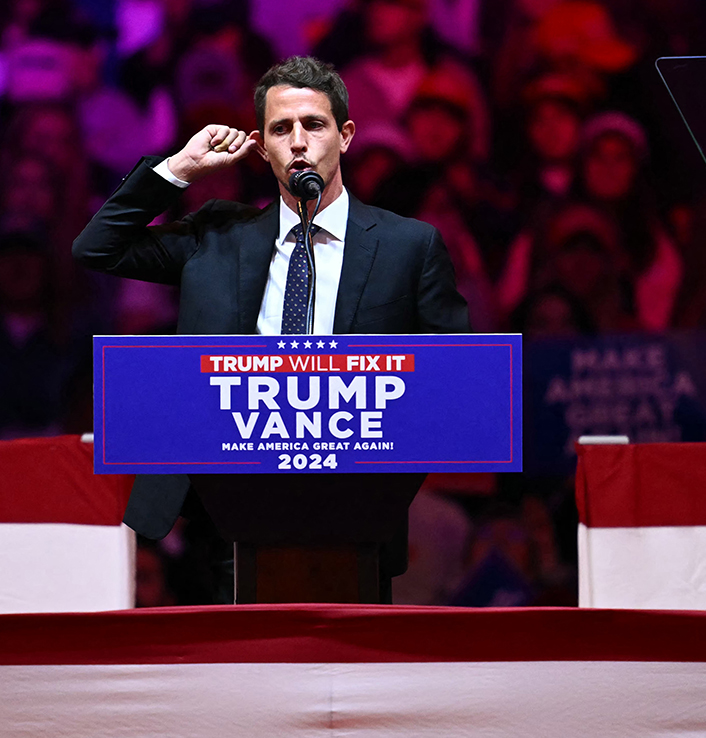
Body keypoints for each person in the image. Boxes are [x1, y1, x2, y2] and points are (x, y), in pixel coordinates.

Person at [72, 55, 471, 602]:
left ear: (345, 136)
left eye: (314, 124)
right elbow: (97, 247)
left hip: (356, 511)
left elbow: (456, 381)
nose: (299, 142)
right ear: (263, 148)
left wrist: (386, 489)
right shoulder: (217, 233)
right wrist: (178, 169)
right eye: (281, 129)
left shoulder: (410, 246)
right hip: (224, 509)